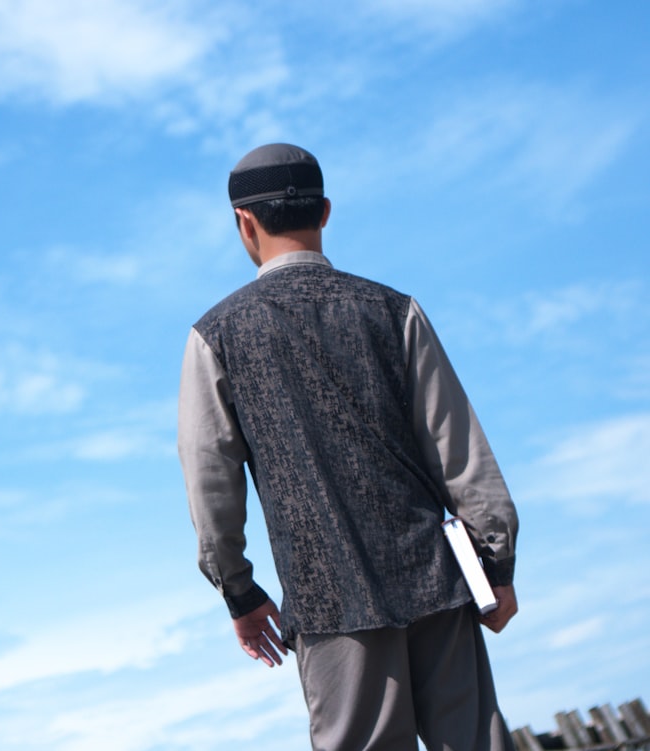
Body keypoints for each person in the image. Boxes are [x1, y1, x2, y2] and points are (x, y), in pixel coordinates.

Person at [177, 143, 519, 751]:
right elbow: (460, 449)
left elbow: (211, 482)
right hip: (438, 580)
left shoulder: (215, 335)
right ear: (326, 211)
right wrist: (495, 565)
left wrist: (239, 589)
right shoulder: (395, 310)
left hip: (327, 595)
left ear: (244, 223)